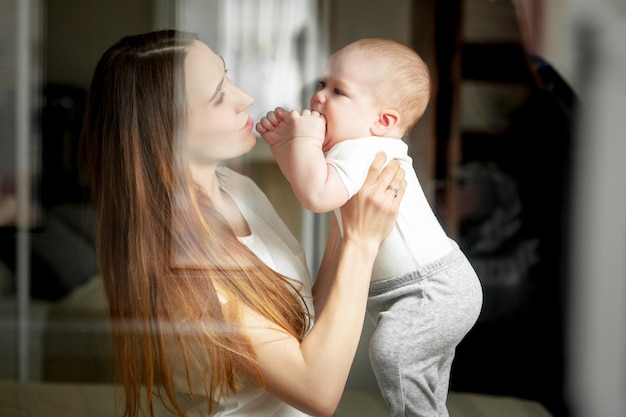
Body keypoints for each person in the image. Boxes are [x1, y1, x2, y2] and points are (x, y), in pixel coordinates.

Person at [79, 30, 407, 417]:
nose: (245, 98)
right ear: (165, 128)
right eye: (219, 95)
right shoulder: (182, 255)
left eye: (227, 74)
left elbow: (302, 322)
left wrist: (344, 202)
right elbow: (317, 391)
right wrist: (361, 243)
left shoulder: (235, 187)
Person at [256, 38, 483, 417]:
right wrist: (287, 148)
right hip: (426, 286)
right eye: (322, 85)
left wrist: (304, 140)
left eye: (339, 91)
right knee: (419, 378)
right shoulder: (354, 149)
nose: (320, 98)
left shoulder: (364, 149)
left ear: (384, 121)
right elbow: (313, 186)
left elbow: (316, 195)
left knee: (392, 353)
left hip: (431, 288)